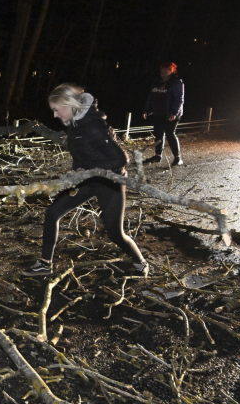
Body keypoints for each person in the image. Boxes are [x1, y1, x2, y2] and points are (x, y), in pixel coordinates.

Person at [22, 84, 149, 277]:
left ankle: (140, 262)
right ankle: (45, 264)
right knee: (52, 212)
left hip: (110, 182)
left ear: (69, 104)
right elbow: (82, 152)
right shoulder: (74, 124)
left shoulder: (94, 126)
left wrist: (91, 171)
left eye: (56, 110)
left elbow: (121, 159)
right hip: (87, 180)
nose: (55, 115)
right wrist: (79, 170)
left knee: (115, 233)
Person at [143, 62, 185, 165]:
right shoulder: (157, 82)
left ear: (172, 71)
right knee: (158, 134)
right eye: (162, 72)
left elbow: (179, 99)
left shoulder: (177, 83)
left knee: (170, 134)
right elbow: (151, 97)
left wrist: (174, 113)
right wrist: (147, 110)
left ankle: (177, 158)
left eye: (167, 72)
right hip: (158, 112)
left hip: (170, 113)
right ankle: (157, 156)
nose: (164, 74)